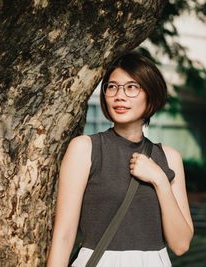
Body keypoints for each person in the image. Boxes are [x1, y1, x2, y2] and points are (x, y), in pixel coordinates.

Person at [47, 53, 194, 267]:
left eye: (132, 87)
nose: (119, 96)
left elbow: (181, 245)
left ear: (150, 94)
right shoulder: (85, 149)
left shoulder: (170, 158)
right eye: (112, 87)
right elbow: (64, 236)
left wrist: (160, 180)